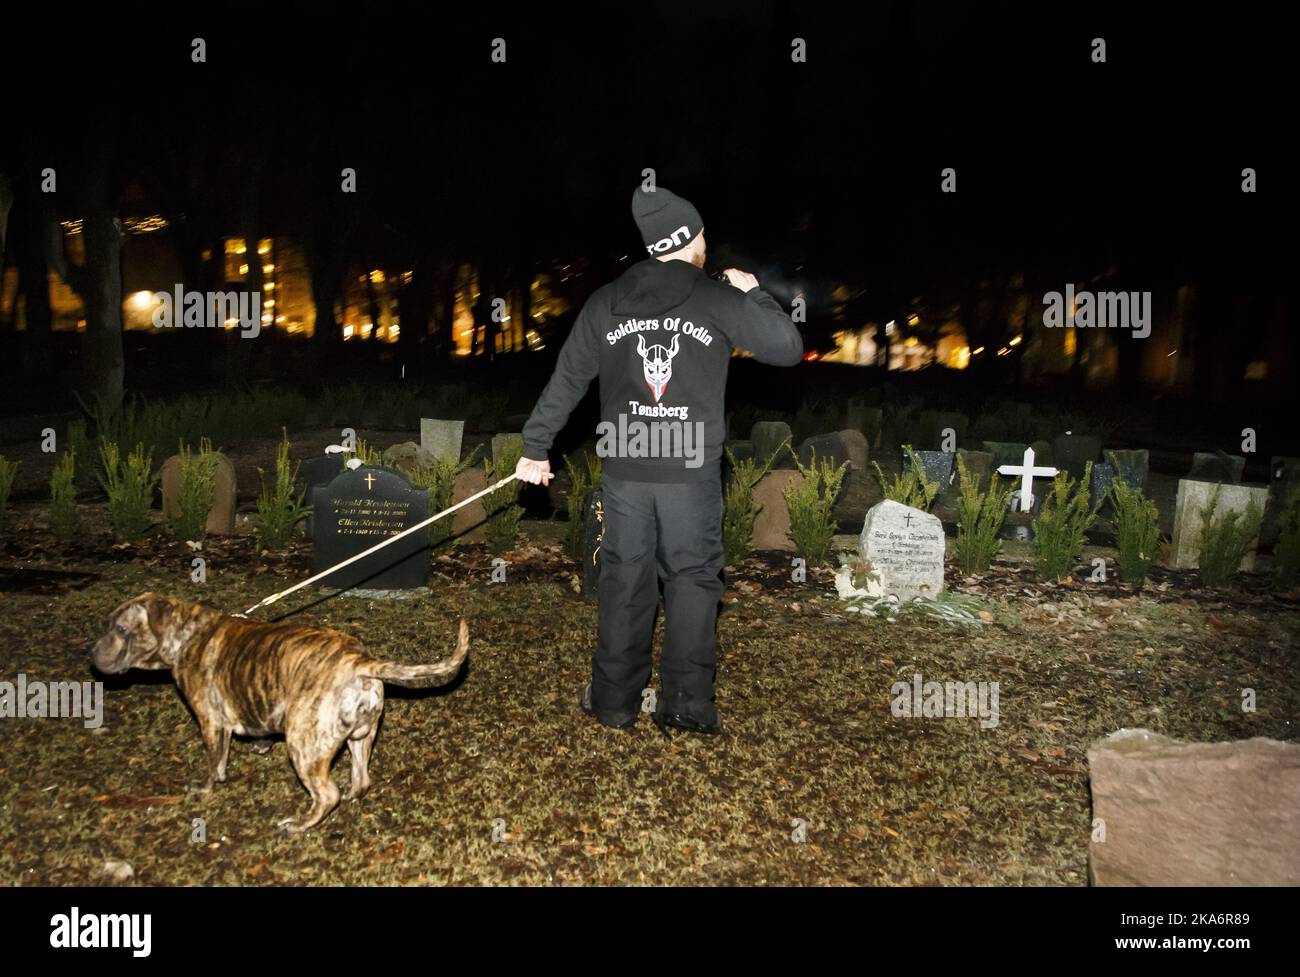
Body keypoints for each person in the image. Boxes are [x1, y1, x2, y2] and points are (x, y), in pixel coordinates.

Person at [515, 185, 802, 734]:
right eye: (703, 236)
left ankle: (614, 702)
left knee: (624, 580)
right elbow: (787, 348)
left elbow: (569, 375)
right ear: (691, 238)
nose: (706, 244)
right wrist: (755, 294)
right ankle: (687, 706)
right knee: (693, 581)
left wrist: (536, 444)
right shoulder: (714, 295)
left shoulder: (606, 300)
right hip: (689, 472)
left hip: (626, 466)